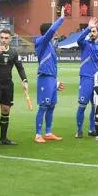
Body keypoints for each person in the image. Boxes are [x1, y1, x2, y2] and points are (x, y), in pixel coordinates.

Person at [0, 29, 29, 146]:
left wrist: (24, 80)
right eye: (2, 37)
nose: (4, 40)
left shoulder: (14, 52)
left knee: (6, 110)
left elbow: (20, 68)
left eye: (6, 38)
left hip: (8, 84)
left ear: (10, 39)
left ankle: (3, 138)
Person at [34, 8, 67, 143]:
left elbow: (52, 65)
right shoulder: (41, 42)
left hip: (51, 79)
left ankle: (47, 132)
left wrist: (55, 82)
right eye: (53, 32)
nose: (56, 33)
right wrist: (61, 18)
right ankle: (38, 135)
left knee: (51, 106)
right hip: (44, 79)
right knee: (43, 106)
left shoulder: (50, 46)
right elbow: (52, 30)